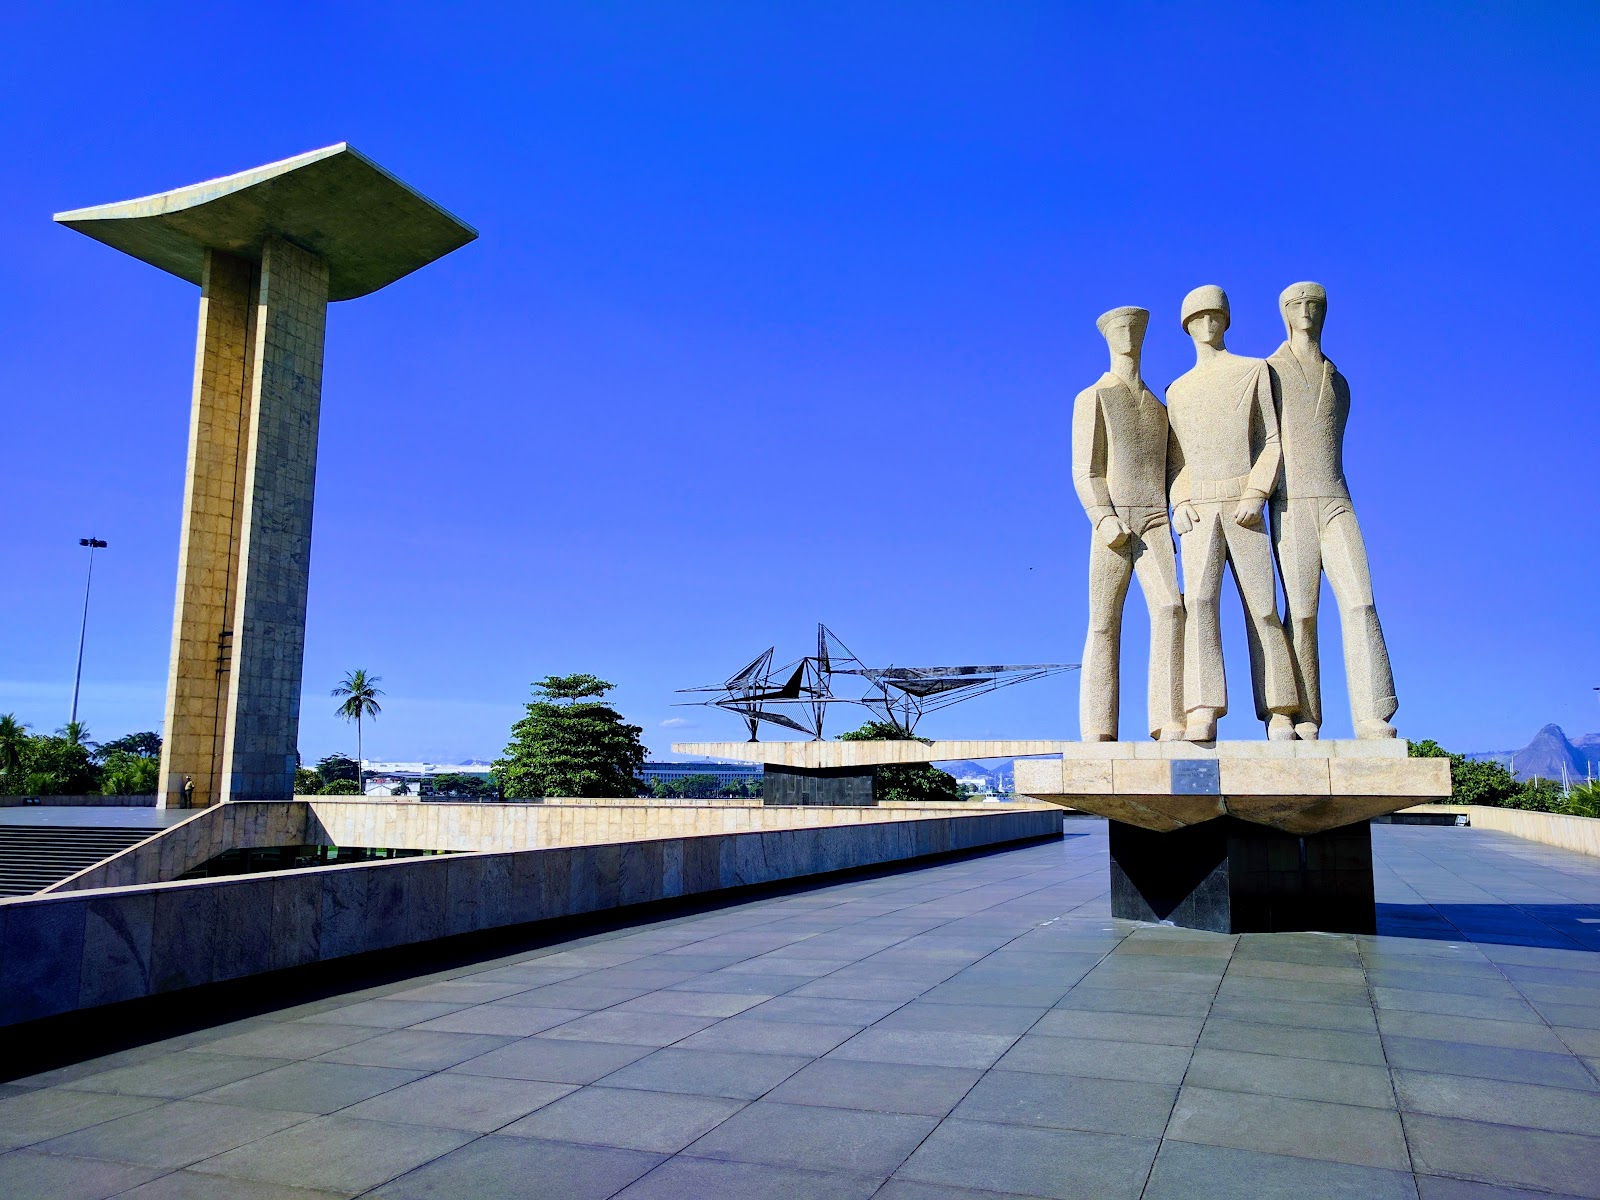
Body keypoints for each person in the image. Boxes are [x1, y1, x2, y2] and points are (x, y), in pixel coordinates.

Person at [1166, 285, 1300, 741]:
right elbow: (1176, 461)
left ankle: (1279, 709)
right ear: (1187, 327)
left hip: (1244, 504)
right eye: (1197, 318)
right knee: (1200, 605)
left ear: (1226, 320)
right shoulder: (1177, 390)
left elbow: (1272, 441)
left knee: (1263, 606)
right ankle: (1202, 707)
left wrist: (1257, 492)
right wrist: (1181, 502)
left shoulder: (1253, 370)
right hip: (1199, 510)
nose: (1207, 325)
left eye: (1214, 316)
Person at [1267, 282, 1397, 739]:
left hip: (1337, 500)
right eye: (1296, 304)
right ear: (1284, 312)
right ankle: (1303, 715)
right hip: (1290, 503)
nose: (1306, 311)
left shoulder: (1338, 381)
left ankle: (1373, 712)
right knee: (1302, 611)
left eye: (1314, 304)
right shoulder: (1268, 372)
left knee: (1361, 600)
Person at [1071, 306, 1185, 740]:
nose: (1128, 337)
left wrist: (1181, 507)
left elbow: (1175, 471)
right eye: (1120, 330)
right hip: (1113, 521)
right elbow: (1086, 470)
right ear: (1107, 337)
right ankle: (1099, 727)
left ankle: (1168, 719)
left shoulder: (1159, 407)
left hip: (1155, 519)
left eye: (1135, 330)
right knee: (1104, 621)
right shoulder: (1094, 396)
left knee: (1171, 609)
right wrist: (1102, 516)